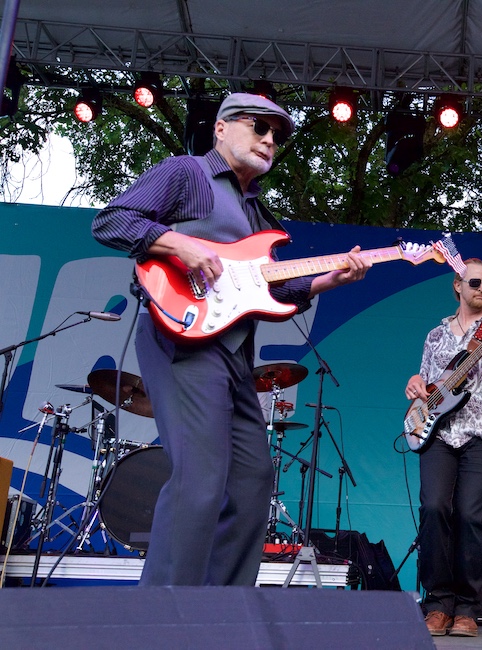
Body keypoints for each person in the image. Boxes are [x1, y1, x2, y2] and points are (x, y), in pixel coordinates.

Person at [92, 93, 372, 586]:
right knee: (199, 481)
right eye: (258, 127)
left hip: (235, 359)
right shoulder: (187, 174)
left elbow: (276, 289)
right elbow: (112, 221)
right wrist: (178, 243)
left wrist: (327, 279)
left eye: (277, 136)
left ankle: (219, 613)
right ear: (221, 128)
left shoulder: (259, 216)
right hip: (181, 342)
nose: (269, 140)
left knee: (251, 482)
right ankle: (162, 617)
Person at [404, 259, 482, 638]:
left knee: (470, 517)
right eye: (475, 282)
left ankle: (468, 608)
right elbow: (426, 385)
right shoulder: (435, 335)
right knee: (434, 508)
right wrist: (414, 385)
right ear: (457, 286)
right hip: (439, 433)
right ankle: (438, 603)